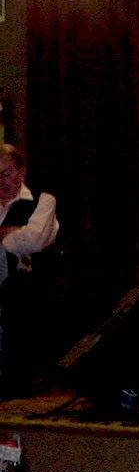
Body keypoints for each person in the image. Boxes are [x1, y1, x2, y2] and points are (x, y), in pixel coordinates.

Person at [0, 143, 59, 388]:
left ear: (21, 171)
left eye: (7, 173)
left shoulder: (42, 201)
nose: (1, 181)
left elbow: (30, 241)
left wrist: (11, 235)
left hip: (27, 295)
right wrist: (8, 232)